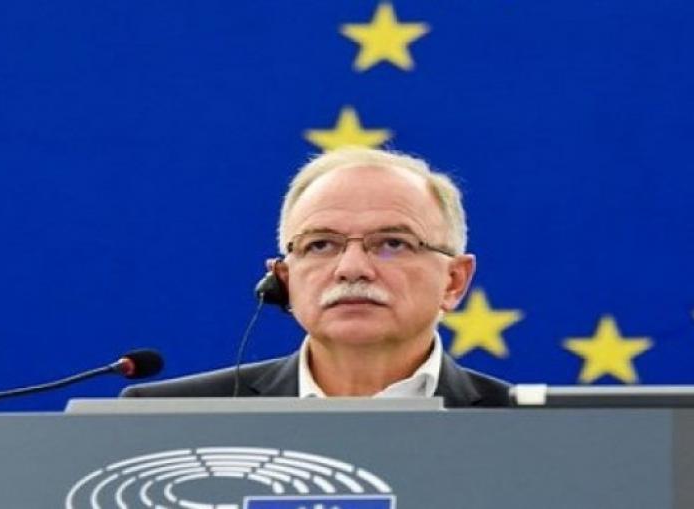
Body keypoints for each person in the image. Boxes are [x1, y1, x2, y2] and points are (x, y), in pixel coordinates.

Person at [121, 147, 510, 407]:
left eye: (392, 243)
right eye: (321, 245)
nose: (351, 268)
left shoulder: (528, 429)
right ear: (283, 279)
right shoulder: (166, 420)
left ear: (454, 281)